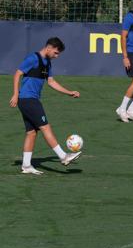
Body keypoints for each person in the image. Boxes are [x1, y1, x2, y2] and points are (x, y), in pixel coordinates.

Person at [9, 37, 82, 175]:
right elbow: (17, 74)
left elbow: (51, 82)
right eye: (56, 52)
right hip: (28, 100)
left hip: (31, 100)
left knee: (31, 132)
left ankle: (26, 165)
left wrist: (69, 92)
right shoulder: (33, 58)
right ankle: (63, 156)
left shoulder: (47, 63)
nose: (57, 56)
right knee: (45, 127)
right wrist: (15, 94)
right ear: (49, 48)